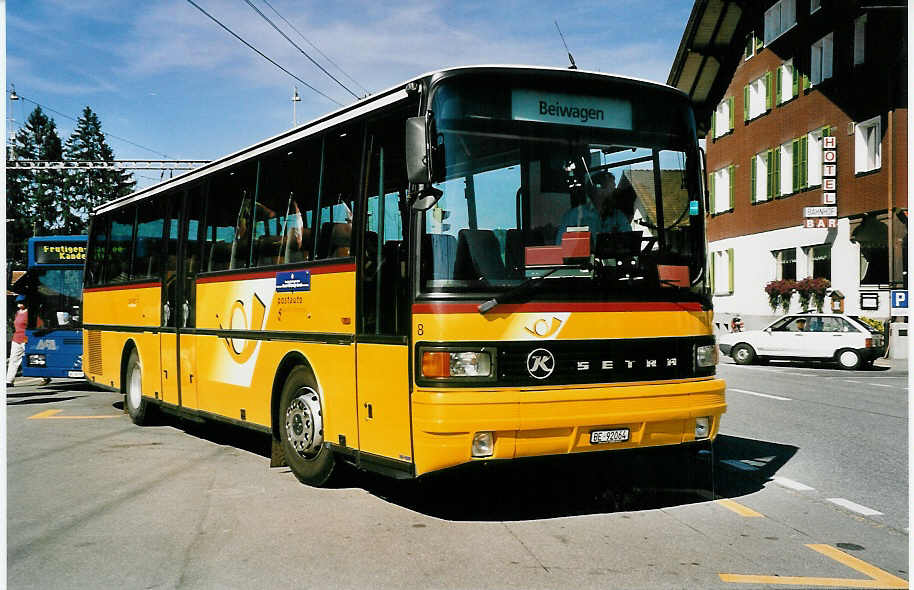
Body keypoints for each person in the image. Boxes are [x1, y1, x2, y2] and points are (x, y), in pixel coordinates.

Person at [7, 295, 27, 387]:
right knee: (13, 359)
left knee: (33, 358)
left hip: (27, 339)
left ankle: (44, 376)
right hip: (16, 338)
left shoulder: (31, 313)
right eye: (18, 303)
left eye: (21, 302)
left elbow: (39, 325)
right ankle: (9, 380)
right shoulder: (17, 313)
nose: (19, 305)